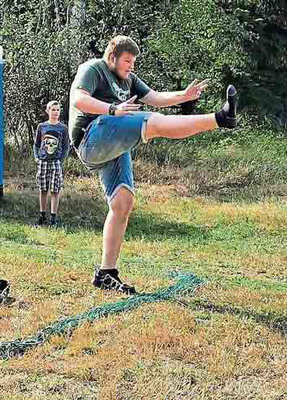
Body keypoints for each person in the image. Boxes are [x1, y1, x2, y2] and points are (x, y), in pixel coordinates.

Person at [68, 35, 238, 294]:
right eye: (127, 61)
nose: (131, 66)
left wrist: (185, 95)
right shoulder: (93, 69)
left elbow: (155, 97)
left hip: (113, 145)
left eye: (134, 62)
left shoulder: (129, 80)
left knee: (122, 203)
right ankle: (220, 118)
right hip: (91, 137)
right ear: (112, 57)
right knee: (152, 122)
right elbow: (79, 99)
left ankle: (106, 273)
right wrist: (113, 109)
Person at [33, 100, 71, 227]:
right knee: (43, 189)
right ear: (47, 111)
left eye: (58, 110)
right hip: (43, 161)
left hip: (56, 162)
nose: (55, 112)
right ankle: (42, 215)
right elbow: (37, 144)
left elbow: (66, 146)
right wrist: (37, 158)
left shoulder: (63, 128)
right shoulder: (42, 126)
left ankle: (53, 218)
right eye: (53, 109)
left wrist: (61, 160)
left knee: (55, 190)